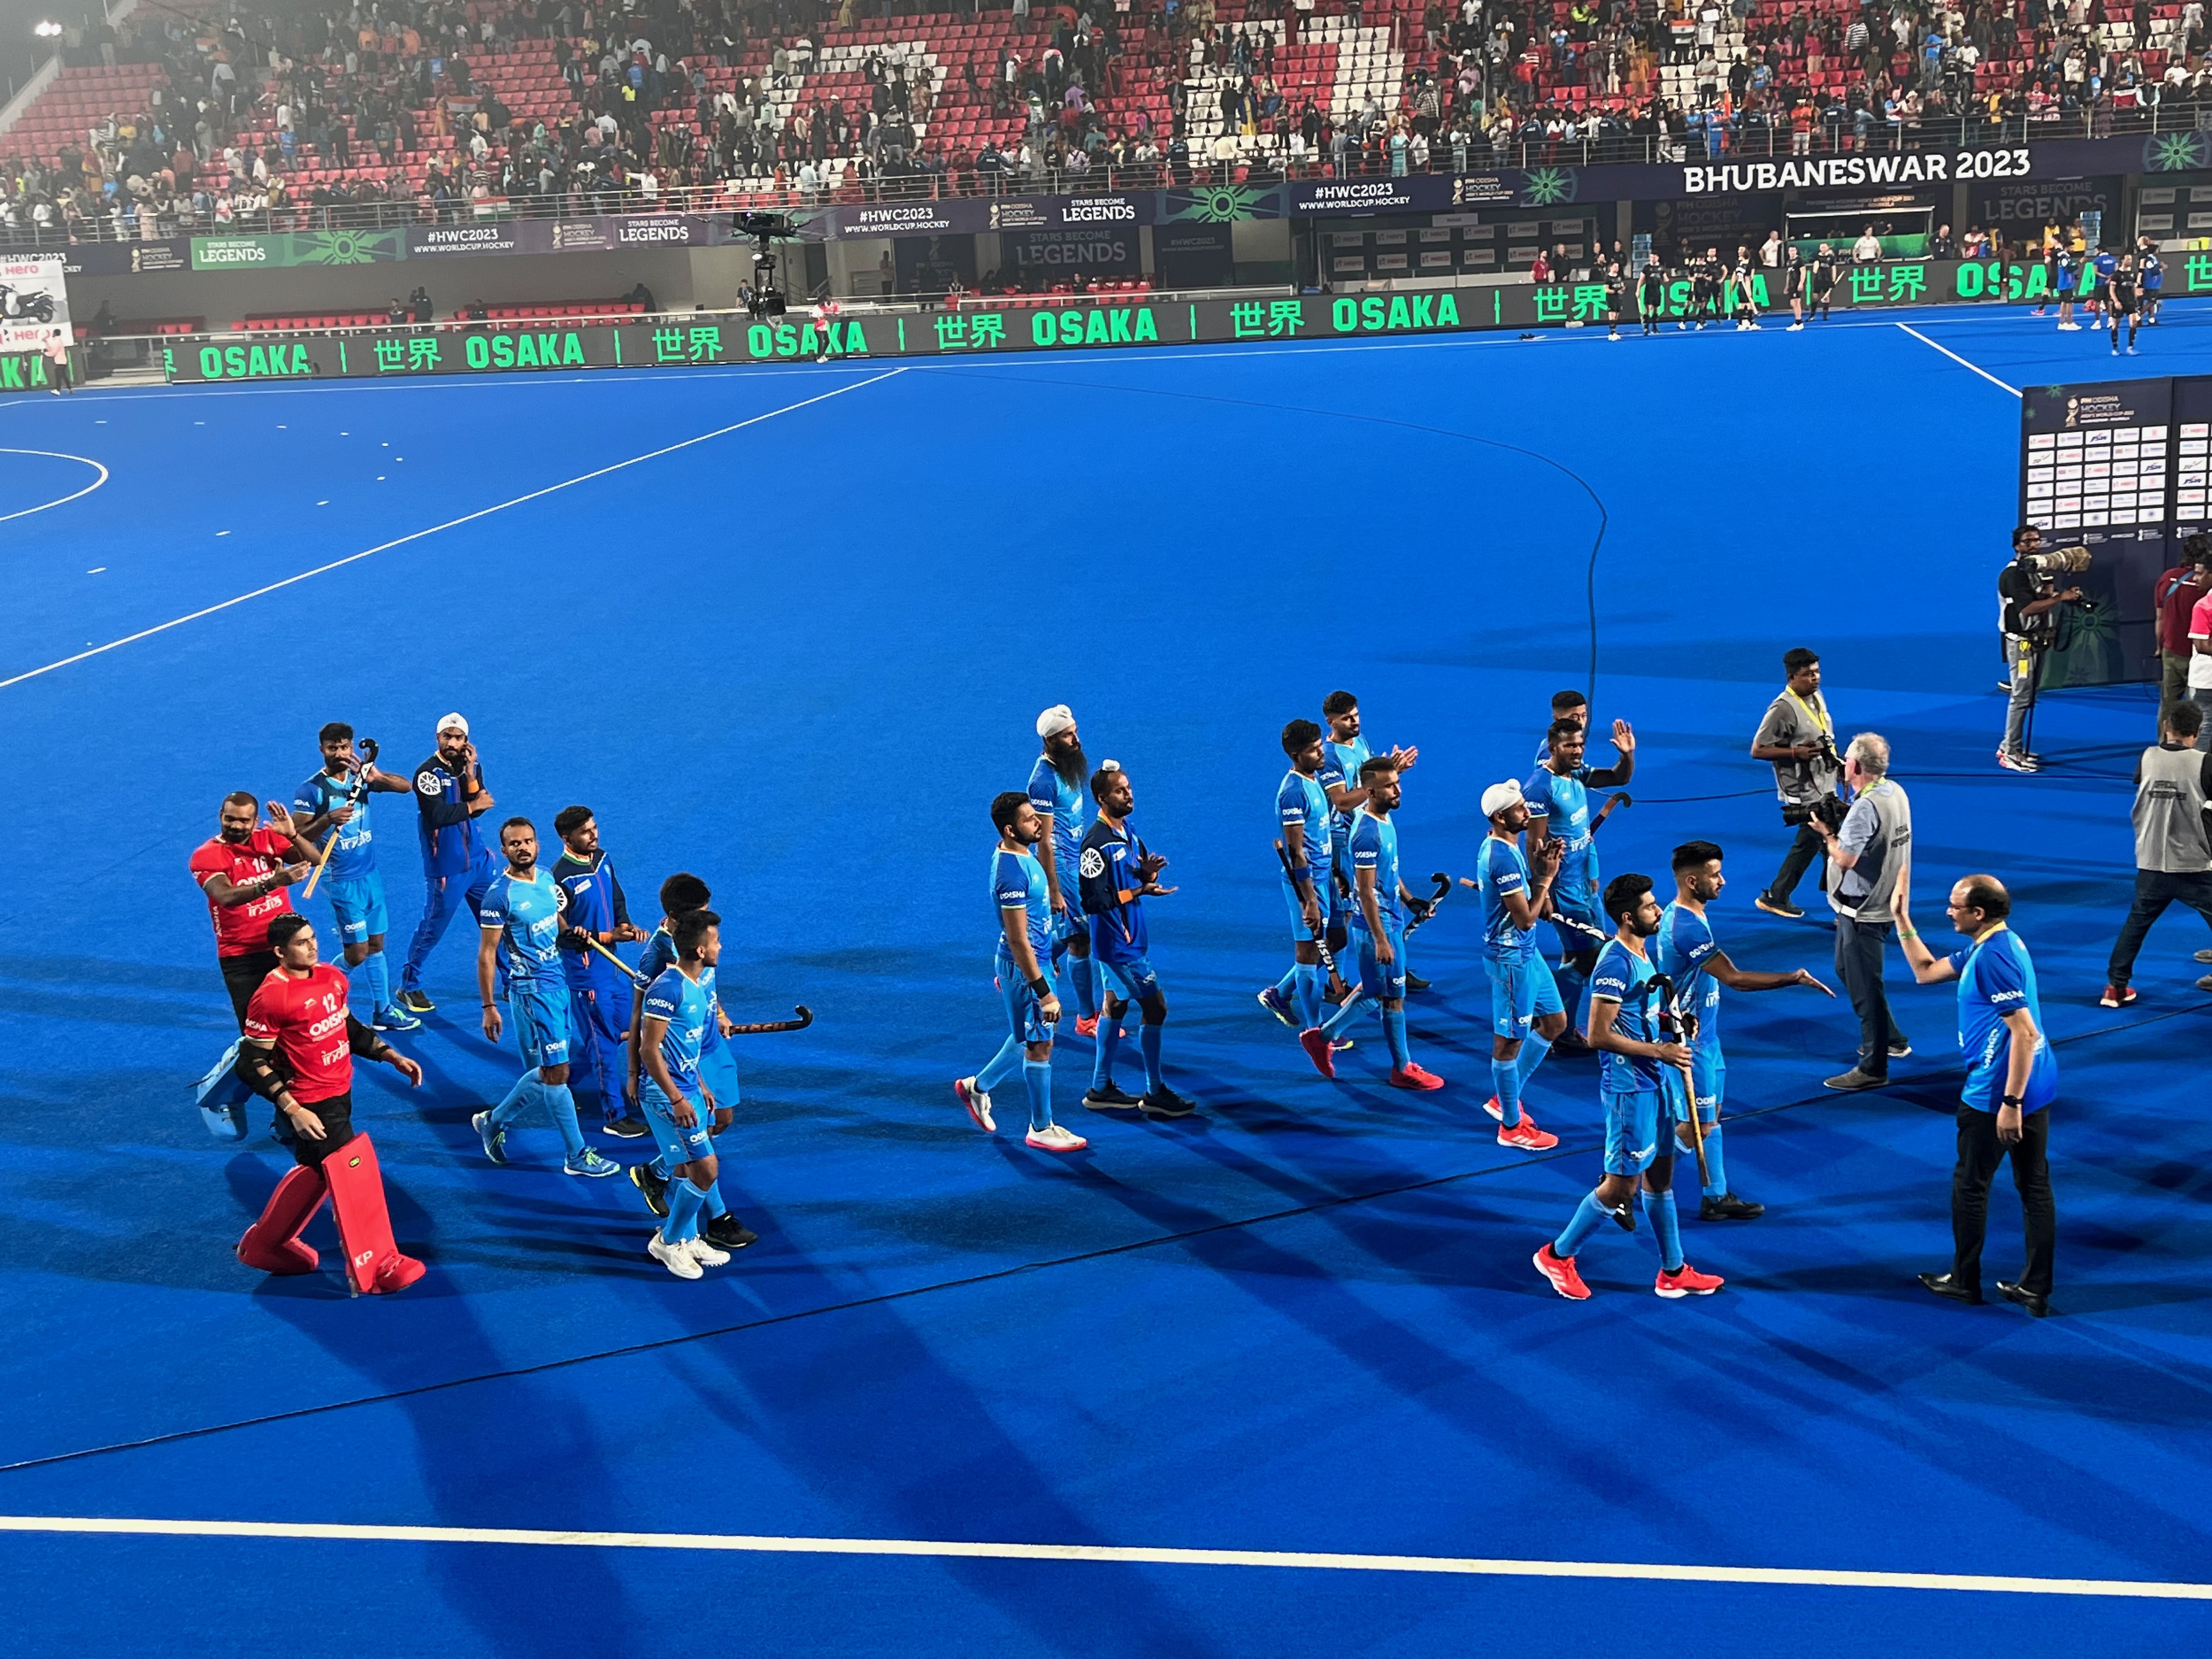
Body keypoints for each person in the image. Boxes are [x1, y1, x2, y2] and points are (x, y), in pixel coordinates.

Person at [1532, 873, 1726, 1301]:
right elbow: (1597, 1034)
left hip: (1654, 1084)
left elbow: (1639, 1012)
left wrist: (1672, 1023)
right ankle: (1558, 1255)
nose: (1658, 910)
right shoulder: (1615, 963)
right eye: (1649, 907)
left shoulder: (1641, 952)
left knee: (1661, 1178)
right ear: (1627, 917)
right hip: (1629, 1090)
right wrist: (1660, 1051)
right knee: (1622, 1188)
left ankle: (1673, 1272)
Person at [232, 913, 427, 1293]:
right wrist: (293, 1109)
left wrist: (390, 1055)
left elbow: (347, 1027)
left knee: (317, 1170)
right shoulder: (272, 997)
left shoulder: (331, 978)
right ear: (280, 952)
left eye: (313, 938)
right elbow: (251, 1063)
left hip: (340, 1089)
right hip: (311, 1103)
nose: (312, 946)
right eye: (301, 943)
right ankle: (377, 1265)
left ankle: (266, 1245)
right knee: (352, 1171)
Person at [1893, 874, 2058, 1317]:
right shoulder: (1998, 944)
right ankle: (2035, 1288)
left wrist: (2011, 1104)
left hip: (1996, 1094)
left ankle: (1964, 1281)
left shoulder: (1992, 959)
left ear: (1978, 913)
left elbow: (2025, 1034)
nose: (1949, 912)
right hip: (2038, 1083)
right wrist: (1902, 920)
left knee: (1970, 1186)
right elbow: (1926, 972)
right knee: (2034, 1186)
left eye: (1955, 906)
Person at [1655, 840, 1835, 1221]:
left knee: (1711, 1117)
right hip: (1688, 1045)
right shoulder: (1686, 927)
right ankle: (1631, 1182)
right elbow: (1735, 978)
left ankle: (1716, 1196)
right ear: (1692, 881)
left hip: (1707, 1037)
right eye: (1715, 875)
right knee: (1696, 1125)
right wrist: (1793, 977)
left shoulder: (1690, 914)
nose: (1723, 881)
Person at [469, 817, 622, 1177]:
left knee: (549, 1073)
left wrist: (571, 934)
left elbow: (556, 921)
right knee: (556, 1073)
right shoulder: (499, 896)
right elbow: (487, 955)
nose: (523, 848)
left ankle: (493, 1121)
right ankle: (576, 1155)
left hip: (559, 984)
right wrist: (489, 1006)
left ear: (537, 845)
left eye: (528, 841)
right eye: (515, 844)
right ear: (504, 850)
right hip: (533, 992)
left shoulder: (547, 878)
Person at [625, 872, 757, 1252]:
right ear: (676, 918)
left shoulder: (703, 941)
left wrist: (720, 1014)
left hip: (709, 1048)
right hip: (683, 1058)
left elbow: (707, 986)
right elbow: (639, 1019)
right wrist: (634, 1071)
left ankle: (657, 1172)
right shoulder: (658, 957)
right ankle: (716, 1220)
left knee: (721, 1121)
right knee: (698, 1151)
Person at [953, 791, 1087, 1153]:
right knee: (1040, 1044)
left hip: (1031, 962)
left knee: (1027, 1036)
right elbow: (1017, 938)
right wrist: (1041, 989)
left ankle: (976, 1087)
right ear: (1010, 830)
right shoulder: (1011, 874)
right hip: (1026, 966)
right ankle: (1041, 1128)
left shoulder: (1022, 854)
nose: (1038, 822)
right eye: (1030, 819)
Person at [189, 793, 319, 1137]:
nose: (236, 825)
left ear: (255, 820)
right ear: (221, 815)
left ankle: (287, 1120)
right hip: (242, 958)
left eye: (244, 820)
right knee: (261, 1046)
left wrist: (293, 835)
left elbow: (315, 859)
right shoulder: (206, 855)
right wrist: (274, 882)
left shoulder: (269, 838)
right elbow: (226, 897)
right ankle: (220, 1092)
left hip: (285, 951)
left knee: (299, 1038)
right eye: (229, 818)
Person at [1316, 757, 1444, 1088]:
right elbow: (1365, 890)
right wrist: (1382, 939)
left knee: (1377, 994)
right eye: (1389, 786)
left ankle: (1322, 1038)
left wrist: (1410, 899)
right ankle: (1402, 1069)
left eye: (1398, 783)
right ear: (1371, 792)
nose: (1398, 790)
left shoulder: (1383, 819)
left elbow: (1389, 872)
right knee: (1392, 997)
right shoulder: (1367, 834)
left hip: (1388, 921)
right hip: (1379, 927)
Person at [1077, 762, 1192, 1118]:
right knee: (1156, 1008)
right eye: (1120, 791)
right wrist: (1139, 891)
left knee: (1115, 1005)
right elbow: (1094, 902)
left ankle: (1100, 1088)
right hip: (1118, 945)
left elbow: (1132, 877)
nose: (1128, 795)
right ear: (1102, 798)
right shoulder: (1095, 846)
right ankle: (1155, 1092)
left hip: (1130, 938)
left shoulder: (1128, 830)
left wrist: (1146, 875)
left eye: (1128, 788)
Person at [634, 909, 740, 1278]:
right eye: (716, 942)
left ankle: (688, 1238)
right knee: (706, 1168)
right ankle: (668, 1241)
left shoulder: (697, 985)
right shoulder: (668, 988)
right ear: (699, 950)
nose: (720, 947)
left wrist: (702, 1085)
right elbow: (650, 1050)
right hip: (666, 1095)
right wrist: (678, 1099)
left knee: (686, 1166)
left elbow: (683, 1046)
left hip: (689, 1087)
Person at [292, 722, 418, 1034]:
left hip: (370, 877)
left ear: (351, 748)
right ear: (322, 750)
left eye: (344, 747)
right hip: (341, 881)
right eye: (332, 748)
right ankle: (313, 993)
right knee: (357, 953)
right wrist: (327, 819)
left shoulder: (360, 779)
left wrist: (378, 778)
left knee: (376, 944)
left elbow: (406, 787)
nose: (339, 753)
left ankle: (382, 1010)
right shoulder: (312, 791)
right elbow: (296, 838)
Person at [1523, 714, 1638, 1048]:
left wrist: (1627, 755)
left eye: (1580, 745)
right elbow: (1534, 844)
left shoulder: (1577, 774)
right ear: (1553, 748)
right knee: (1590, 958)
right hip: (1562, 887)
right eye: (1570, 746)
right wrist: (1543, 892)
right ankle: (1551, 1022)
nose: (1577, 751)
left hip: (1583, 882)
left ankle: (1554, 1021)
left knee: (1583, 955)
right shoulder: (1540, 787)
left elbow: (1620, 777)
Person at [1814, 733, 1913, 1091]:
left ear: (1854, 765)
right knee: (1848, 970)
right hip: (1882, 900)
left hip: (1863, 909)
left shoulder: (1865, 808)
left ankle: (1874, 1067)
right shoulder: (1896, 793)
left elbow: (1846, 859)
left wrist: (1828, 835)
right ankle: (1892, 1038)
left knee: (1865, 987)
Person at [2100, 701, 2212, 1007]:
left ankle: (2115, 987)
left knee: (2136, 925)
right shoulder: (2205, 763)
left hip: (2150, 862)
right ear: (2198, 732)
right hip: (2192, 863)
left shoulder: (2147, 756)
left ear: (2166, 727)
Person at [1472, 780, 1564, 1150]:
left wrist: (1539, 877)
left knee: (1555, 1023)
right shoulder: (1502, 857)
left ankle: (1504, 1098)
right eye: (1520, 809)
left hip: (1528, 954)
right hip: (1511, 960)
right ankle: (1511, 1127)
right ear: (1500, 817)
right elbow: (1526, 919)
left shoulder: (1505, 845)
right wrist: (1545, 880)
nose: (1528, 812)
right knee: (1509, 1043)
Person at [551, 804, 650, 1136]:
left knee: (617, 1031)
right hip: (587, 977)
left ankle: (561, 1082)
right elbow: (565, 938)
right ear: (567, 839)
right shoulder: (560, 880)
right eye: (585, 832)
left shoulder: (603, 859)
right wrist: (609, 937)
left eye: (594, 828)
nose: (594, 835)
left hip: (613, 971)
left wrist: (625, 924)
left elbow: (615, 896)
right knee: (604, 1044)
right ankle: (615, 1116)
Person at [1319, 690, 1421, 990]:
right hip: (1345, 841)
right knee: (1347, 918)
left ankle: (1393, 964)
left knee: (1379, 903)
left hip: (1370, 828)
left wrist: (1390, 770)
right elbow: (1342, 802)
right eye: (1346, 718)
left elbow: (1372, 778)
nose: (1355, 722)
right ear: (1331, 722)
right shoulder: (1330, 757)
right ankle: (1306, 984)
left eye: (1356, 715)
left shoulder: (1361, 742)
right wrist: (1382, 780)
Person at [397, 713, 496, 1014]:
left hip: (478, 862)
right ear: (437, 738)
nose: (452, 743)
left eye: (458, 737)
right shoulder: (427, 774)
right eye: (447, 737)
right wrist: (473, 805)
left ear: (466, 740)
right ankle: (409, 986)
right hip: (447, 868)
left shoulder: (469, 765)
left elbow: (479, 807)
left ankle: (513, 979)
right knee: (432, 929)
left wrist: (470, 772)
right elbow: (437, 816)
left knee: (497, 922)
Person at [1267, 718, 1339, 1072]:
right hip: (1305, 885)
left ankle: (1280, 994)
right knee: (1309, 954)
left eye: (1320, 745)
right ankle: (1316, 1033)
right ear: (1296, 755)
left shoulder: (1313, 780)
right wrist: (1309, 899)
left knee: (1329, 943)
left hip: (1324, 879)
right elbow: (1297, 852)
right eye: (1313, 750)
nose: (1321, 752)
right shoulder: (1293, 792)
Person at [1750, 647, 1841, 919]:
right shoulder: (1782, 709)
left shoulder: (1816, 697)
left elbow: (1825, 737)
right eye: (1808, 674)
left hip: (1825, 784)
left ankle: (1778, 896)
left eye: (1817, 672)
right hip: (1805, 790)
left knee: (1812, 843)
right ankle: (1844, 908)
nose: (1815, 678)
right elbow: (1758, 750)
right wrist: (1794, 753)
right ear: (1792, 678)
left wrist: (1839, 765)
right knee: (1831, 843)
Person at [1028, 704, 1101, 1035]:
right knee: (1081, 939)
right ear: (1050, 740)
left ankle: (1024, 963)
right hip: (1060, 867)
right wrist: (1054, 889)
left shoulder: (1066, 767)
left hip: (1077, 860)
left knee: (1074, 929)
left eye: (1075, 732)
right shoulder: (1043, 782)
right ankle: (1086, 1019)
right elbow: (1043, 842)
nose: (1076, 740)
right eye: (1068, 735)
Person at [1998, 526, 2084, 773]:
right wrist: (2060, 598)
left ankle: (2011, 745)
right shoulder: (2013, 575)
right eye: (2027, 542)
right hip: (2022, 644)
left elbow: (2042, 599)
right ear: (2017, 546)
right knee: (2021, 697)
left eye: (2037, 540)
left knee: (2028, 696)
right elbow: (2027, 609)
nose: (2034, 545)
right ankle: (2010, 752)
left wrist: (2058, 596)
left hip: (2037, 640)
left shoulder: (2039, 570)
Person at [2153, 539, 2210, 720]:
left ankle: (2166, 738)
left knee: (2168, 706)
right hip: (2199, 658)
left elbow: (2160, 618)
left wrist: (2160, 648)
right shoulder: (2205, 587)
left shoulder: (2167, 578)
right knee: (2198, 709)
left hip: (2171, 651)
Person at [2107, 251, 2142, 356]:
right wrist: (2116, 302)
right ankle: (2115, 347)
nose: (2130, 261)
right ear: (2123, 260)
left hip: (2130, 302)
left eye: (2131, 259)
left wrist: (2136, 302)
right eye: (2128, 259)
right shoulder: (2117, 275)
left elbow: (2133, 289)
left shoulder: (2132, 274)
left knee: (2134, 324)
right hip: (2120, 302)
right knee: (2116, 325)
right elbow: (2112, 291)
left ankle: (2130, 347)